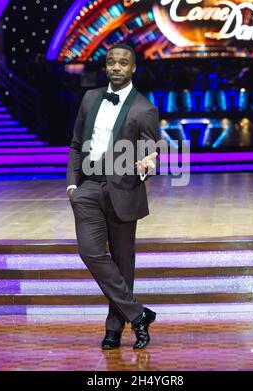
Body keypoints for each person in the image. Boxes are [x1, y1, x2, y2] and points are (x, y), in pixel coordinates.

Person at [66, 43, 160, 349]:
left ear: (133, 68)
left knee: (123, 263)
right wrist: (72, 184)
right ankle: (138, 314)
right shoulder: (90, 97)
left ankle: (114, 328)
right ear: (106, 66)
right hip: (89, 187)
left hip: (124, 189)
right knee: (90, 252)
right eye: (111, 62)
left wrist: (146, 164)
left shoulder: (144, 108)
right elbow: (77, 143)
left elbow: (149, 150)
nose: (116, 67)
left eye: (123, 63)